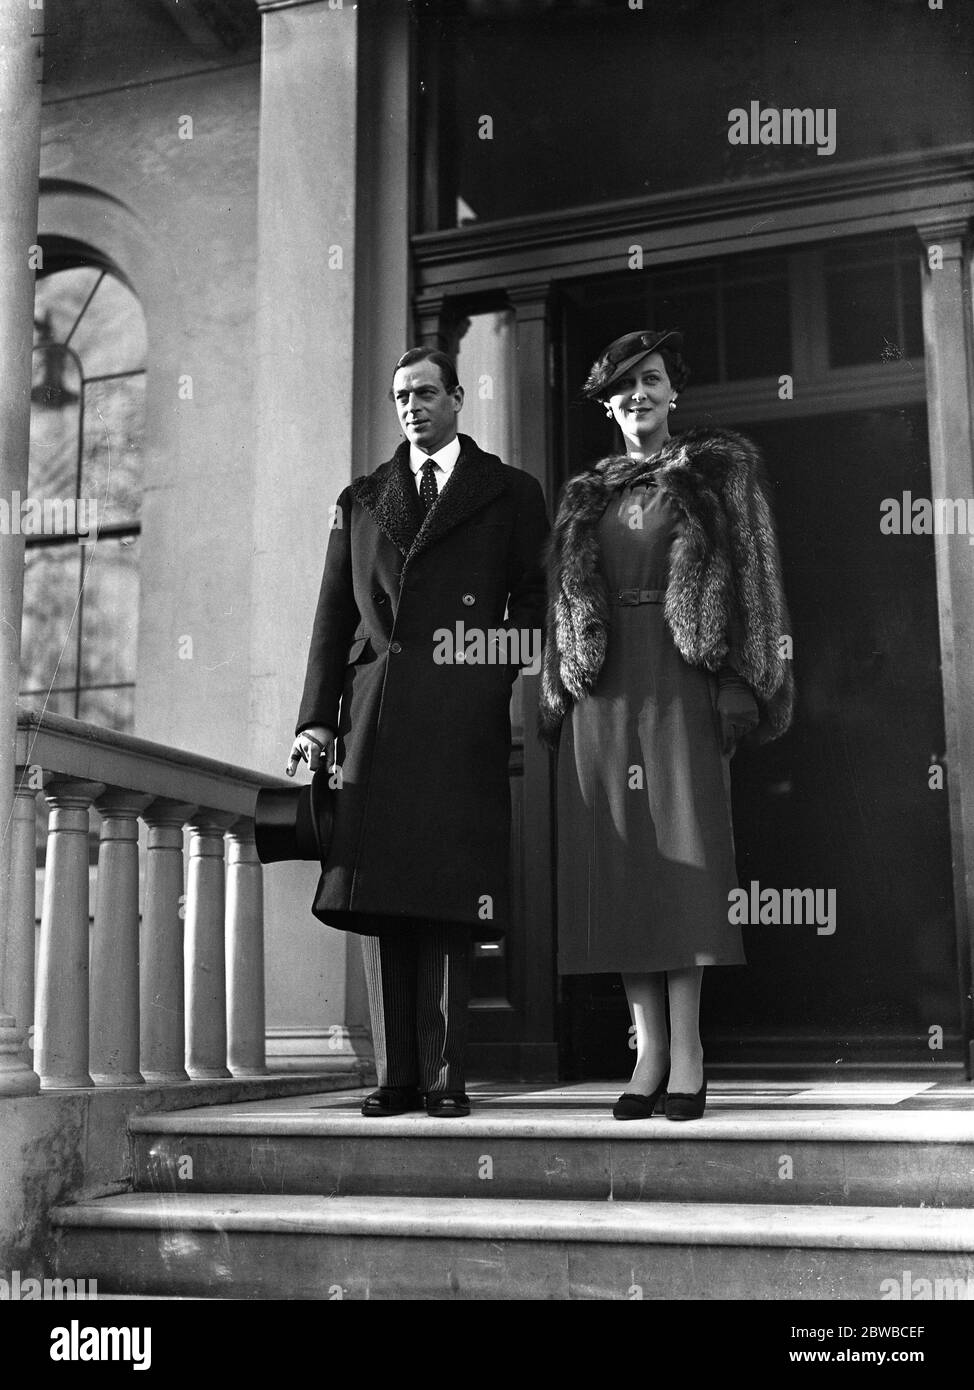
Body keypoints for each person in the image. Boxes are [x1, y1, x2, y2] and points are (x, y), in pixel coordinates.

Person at [288, 347, 549, 1118]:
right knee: (382, 901)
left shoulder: (508, 492)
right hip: (373, 718)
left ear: (459, 399)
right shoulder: (363, 498)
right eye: (401, 395)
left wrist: (488, 672)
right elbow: (332, 616)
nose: (411, 406)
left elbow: (534, 599)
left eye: (426, 393)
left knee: (446, 895)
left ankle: (444, 1076)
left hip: (457, 720)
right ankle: (394, 1076)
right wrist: (316, 721)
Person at [540, 329, 793, 1121]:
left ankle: (688, 1050)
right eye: (621, 389)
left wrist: (741, 679)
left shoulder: (719, 472)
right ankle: (645, 1049)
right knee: (621, 869)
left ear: (672, 391)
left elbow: (754, 575)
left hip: (681, 680)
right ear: (607, 405)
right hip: (604, 695)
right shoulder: (588, 494)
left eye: (649, 381)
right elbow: (562, 605)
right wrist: (559, 687)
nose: (637, 397)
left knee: (685, 859)